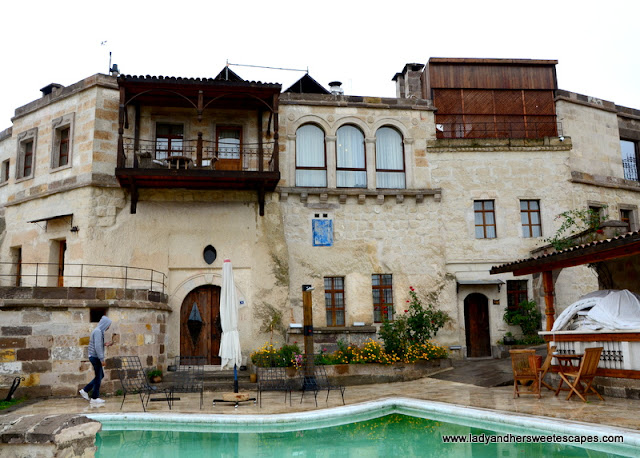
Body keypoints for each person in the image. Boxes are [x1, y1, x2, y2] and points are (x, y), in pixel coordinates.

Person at [79, 315, 113, 405]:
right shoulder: (98, 332)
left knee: (100, 376)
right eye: (108, 325)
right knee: (99, 376)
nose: (109, 327)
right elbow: (97, 347)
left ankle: (86, 391)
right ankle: (94, 397)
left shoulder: (98, 331)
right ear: (105, 324)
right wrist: (102, 359)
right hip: (95, 357)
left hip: (94, 356)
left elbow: (97, 344)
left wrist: (105, 344)